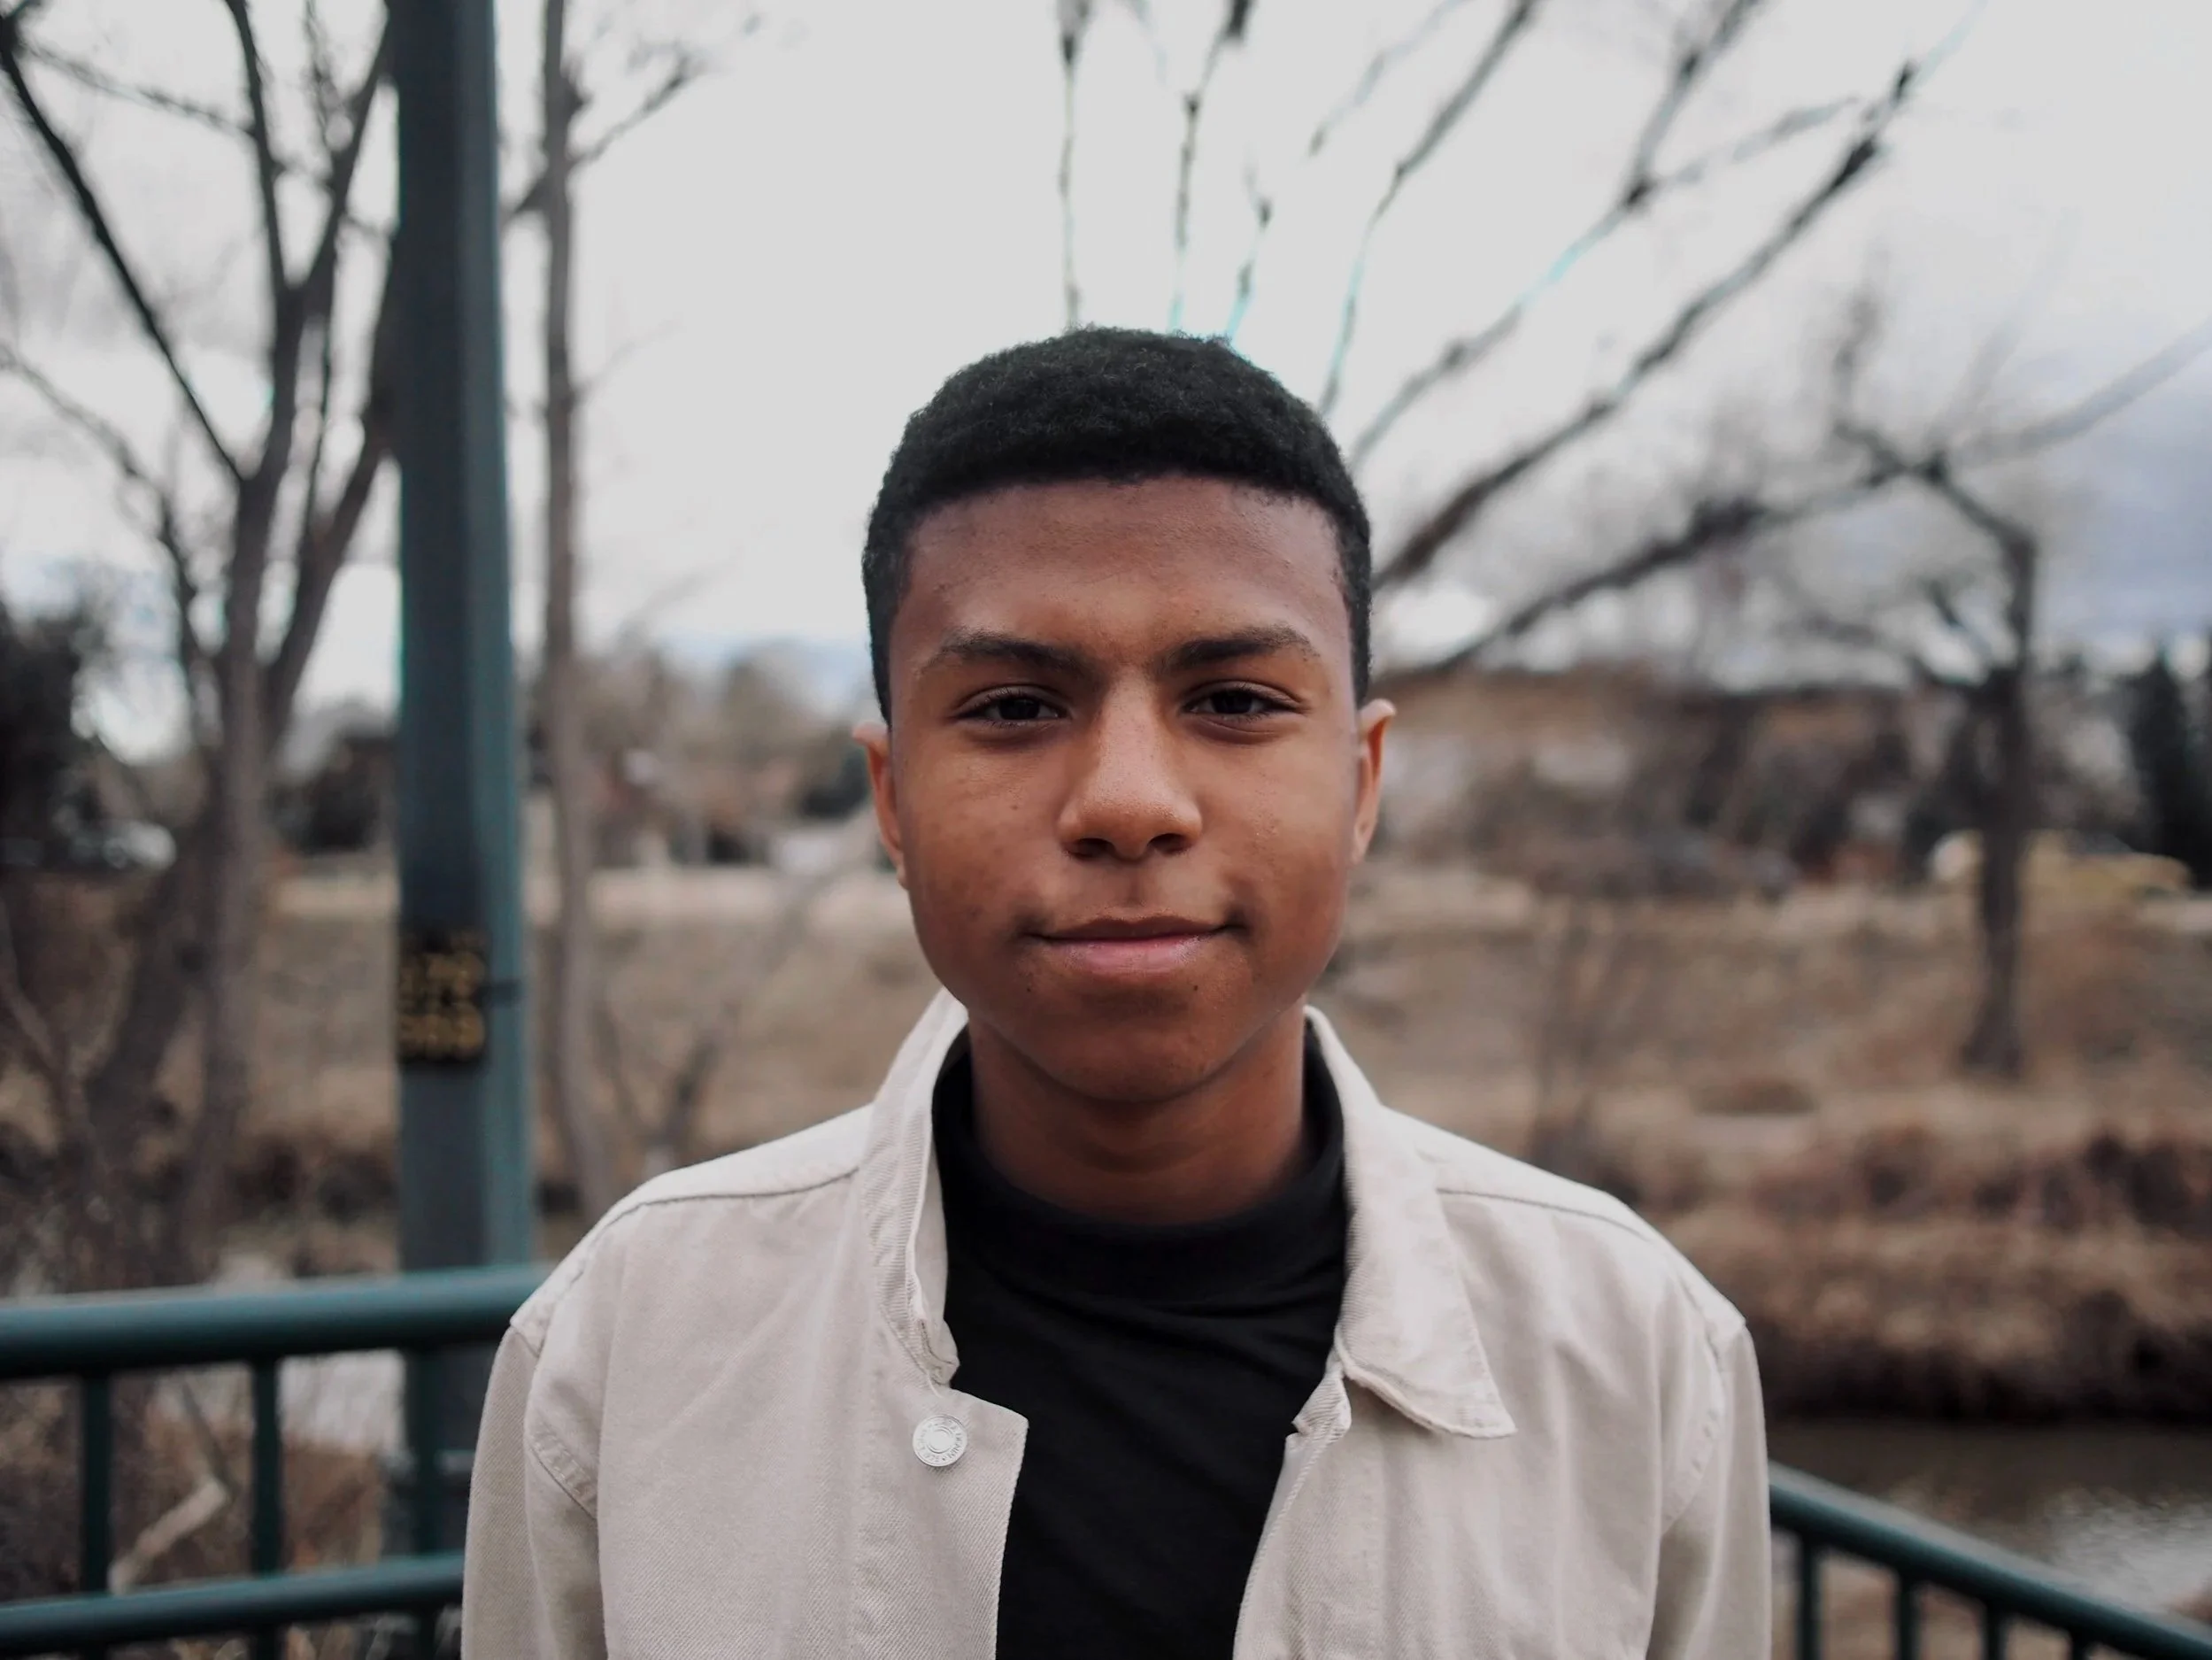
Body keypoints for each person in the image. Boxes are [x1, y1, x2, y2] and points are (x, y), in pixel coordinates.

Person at [463, 328, 1770, 1658]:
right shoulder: (628, 1344)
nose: (1129, 802)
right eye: (1016, 705)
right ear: (891, 796)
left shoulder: (1636, 1356)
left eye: (1238, 698)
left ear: (1362, 782)